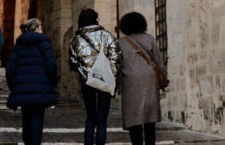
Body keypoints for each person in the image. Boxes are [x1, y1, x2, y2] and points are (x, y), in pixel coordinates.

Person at [69, 8, 120, 145]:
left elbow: (73, 61)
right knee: (102, 117)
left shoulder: (76, 39)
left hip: (87, 80)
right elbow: (116, 57)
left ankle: (88, 141)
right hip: (104, 79)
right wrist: (112, 75)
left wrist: (83, 71)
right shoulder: (106, 35)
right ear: (96, 20)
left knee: (90, 115)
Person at [5, 18, 58, 145]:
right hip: (40, 89)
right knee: (37, 120)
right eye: (40, 27)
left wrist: (14, 86)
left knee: (26, 120)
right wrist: (52, 83)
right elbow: (51, 65)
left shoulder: (19, 45)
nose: (42, 30)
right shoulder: (44, 44)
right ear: (37, 28)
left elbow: (10, 68)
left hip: (23, 89)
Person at [118, 12, 168, 145]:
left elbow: (117, 64)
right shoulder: (149, 39)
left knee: (133, 116)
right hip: (149, 79)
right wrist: (164, 79)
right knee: (149, 117)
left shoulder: (121, 43)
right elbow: (159, 62)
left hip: (130, 80)